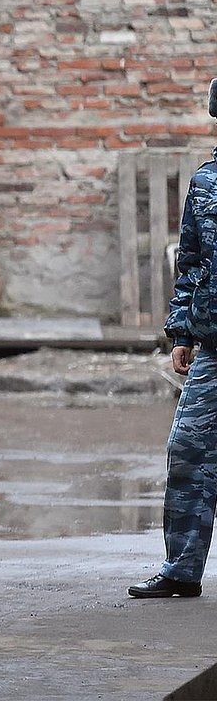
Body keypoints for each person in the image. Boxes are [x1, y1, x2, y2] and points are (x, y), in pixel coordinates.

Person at [128, 78, 217, 601]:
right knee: (188, 452)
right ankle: (182, 569)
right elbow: (192, 264)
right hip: (214, 350)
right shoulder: (207, 183)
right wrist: (182, 329)